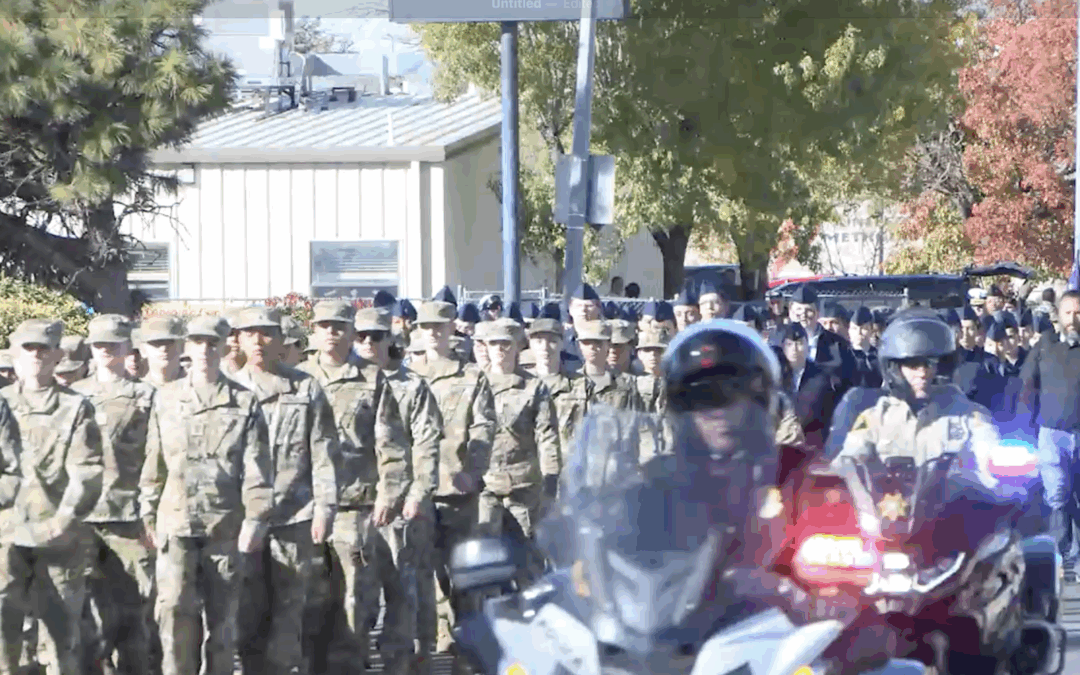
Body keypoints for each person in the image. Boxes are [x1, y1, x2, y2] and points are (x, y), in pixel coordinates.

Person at [138, 315, 273, 675]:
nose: (204, 350)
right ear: (187, 346)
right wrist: (147, 515)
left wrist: (255, 519)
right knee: (174, 614)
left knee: (223, 622)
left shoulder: (244, 402)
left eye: (212, 343)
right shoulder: (165, 398)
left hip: (224, 526)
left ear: (225, 345)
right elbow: (154, 464)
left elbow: (258, 468)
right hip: (175, 523)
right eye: (197, 342)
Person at [0, 319, 105, 675]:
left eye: (43, 349)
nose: (35, 356)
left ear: (58, 355)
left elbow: (87, 470)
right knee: (4, 636)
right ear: (14, 354)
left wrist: (63, 521)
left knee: (61, 640)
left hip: (57, 537)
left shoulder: (76, 407)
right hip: (5, 536)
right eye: (28, 348)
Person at [72, 315, 157, 675]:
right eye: (99, 344)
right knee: (84, 614)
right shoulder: (73, 396)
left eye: (113, 344)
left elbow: (157, 457)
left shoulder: (147, 396)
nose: (105, 349)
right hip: (83, 518)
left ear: (128, 348)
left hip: (129, 518)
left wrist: (150, 514)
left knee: (137, 613)